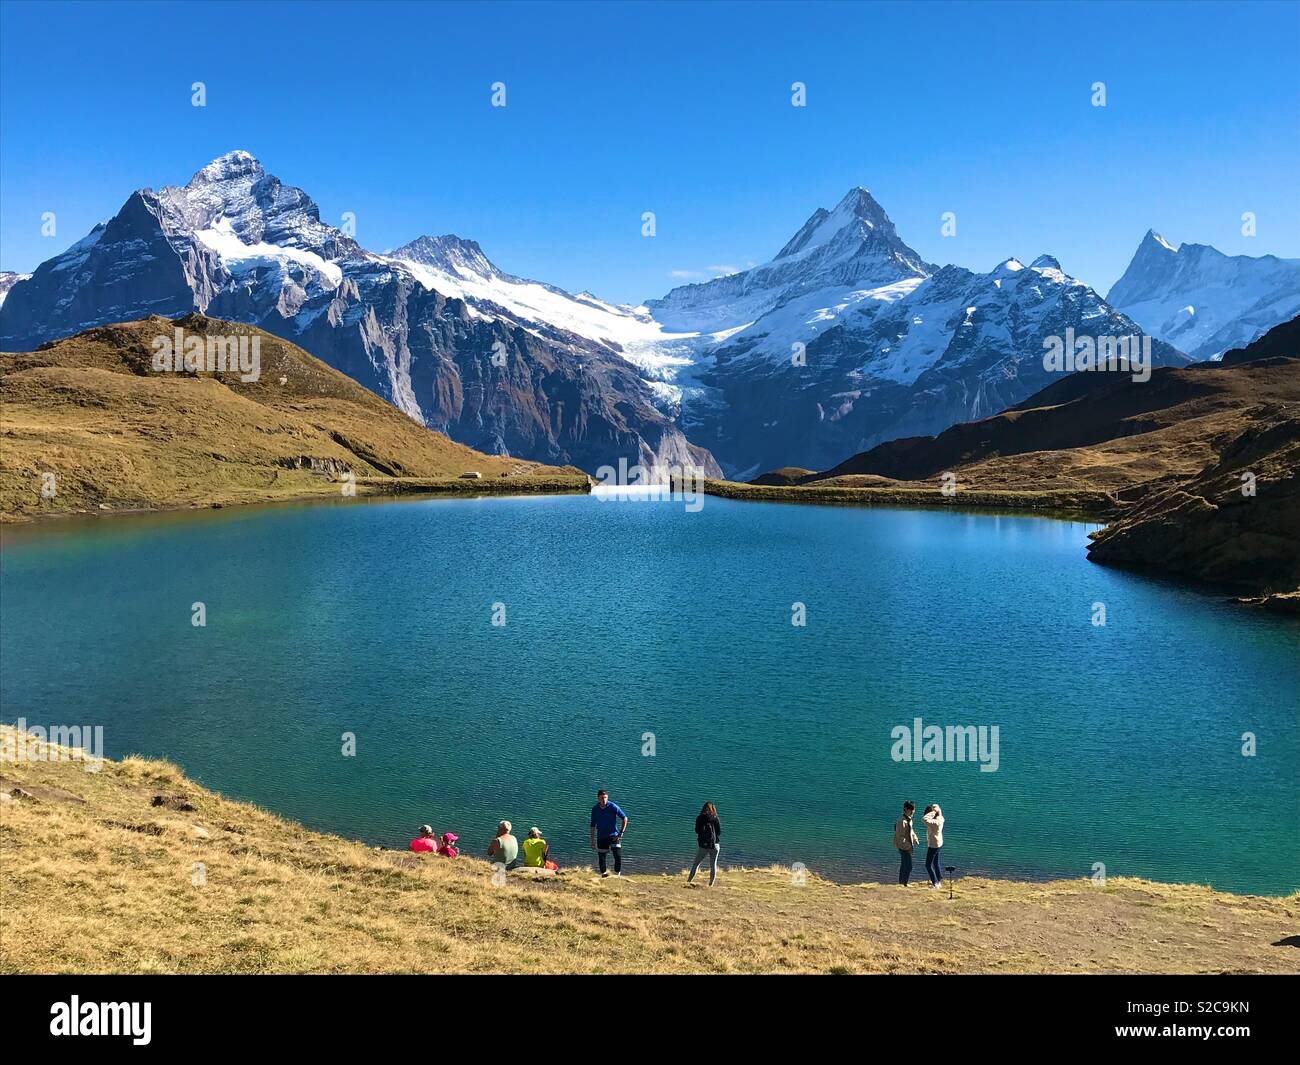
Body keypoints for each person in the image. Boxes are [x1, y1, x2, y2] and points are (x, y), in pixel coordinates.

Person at [589, 789, 628, 877]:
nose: (604, 800)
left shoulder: (613, 806)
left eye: (605, 797)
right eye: (602, 798)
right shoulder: (595, 809)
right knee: (602, 857)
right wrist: (592, 840)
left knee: (617, 855)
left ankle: (617, 874)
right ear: (598, 798)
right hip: (601, 836)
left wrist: (621, 833)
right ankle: (604, 874)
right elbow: (592, 825)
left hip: (614, 835)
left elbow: (625, 818)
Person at [688, 801, 722, 887]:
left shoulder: (700, 818)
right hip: (715, 844)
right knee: (713, 865)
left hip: (703, 845)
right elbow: (719, 832)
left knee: (696, 864)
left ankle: (688, 881)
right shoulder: (715, 818)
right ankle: (711, 884)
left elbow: (697, 831)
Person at [893, 801, 919, 885]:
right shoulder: (902, 821)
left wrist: (915, 837)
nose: (912, 811)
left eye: (913, 809)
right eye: (910, 809)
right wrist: (908, 847)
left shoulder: (909, 819)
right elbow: (900, 838)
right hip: (903, 847)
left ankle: (902, 883)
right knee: (908, 866)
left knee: (904, 866)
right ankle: (903, 884)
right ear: (905, 809)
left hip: (907, 846)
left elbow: (910, 830)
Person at [922, 804, 945, 887]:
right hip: (939, 843)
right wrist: (936, 810)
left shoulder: (934, 822)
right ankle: (939, 880)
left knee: (928, 865)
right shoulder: (940, 818)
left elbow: (924, 819)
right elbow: (936, 805)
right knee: (935, 863)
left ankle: (935, 883)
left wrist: (932, 812)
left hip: (933, 845)